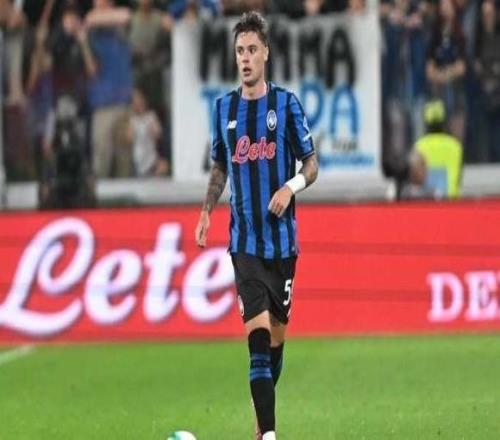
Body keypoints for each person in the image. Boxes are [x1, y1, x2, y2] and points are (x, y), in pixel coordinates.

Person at [194, 11, 318, 440]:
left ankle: (259, 422)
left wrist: (290, 186)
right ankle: (269, 435)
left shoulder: (286, 105)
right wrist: (207, 210)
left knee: (275, 347)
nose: (245, 58)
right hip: (244, 244)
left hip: (282, 246)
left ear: (266, 53)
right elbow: (219, 166)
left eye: (251, 50)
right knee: (258, 343)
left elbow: (312, 164)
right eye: (239, 52)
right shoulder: (223, 109)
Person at [407, 99, 463, 199]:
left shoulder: (419, 146)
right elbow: (459, 178)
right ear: (444, 122)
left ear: (426, 123)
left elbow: (415, 180)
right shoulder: (455, 146)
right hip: (452, 202)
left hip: (427, 203)